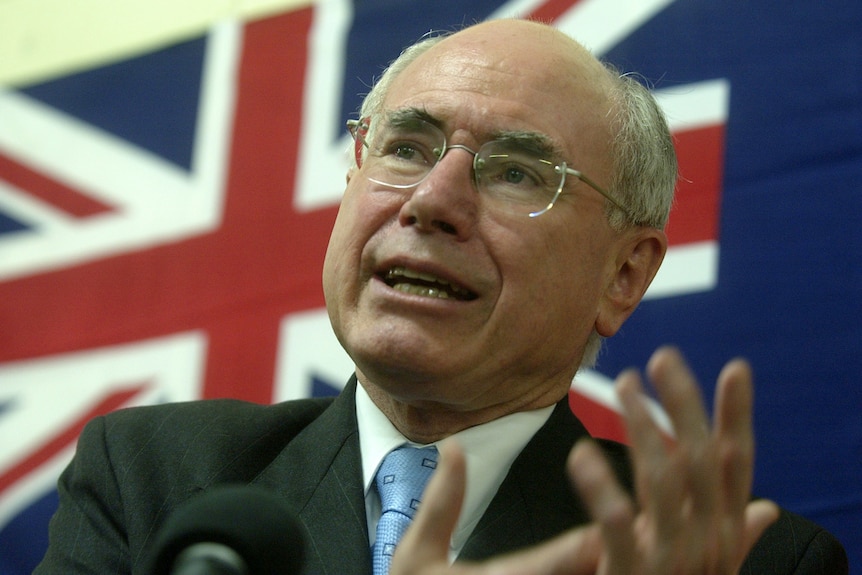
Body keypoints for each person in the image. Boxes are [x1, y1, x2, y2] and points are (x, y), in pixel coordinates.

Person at [35, 19, 847, 575]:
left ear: (623, 275)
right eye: (407, 146)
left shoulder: (738, 558)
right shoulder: (152, 478)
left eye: (517, 171)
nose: (432, 199)